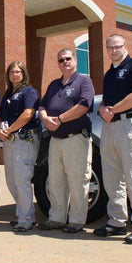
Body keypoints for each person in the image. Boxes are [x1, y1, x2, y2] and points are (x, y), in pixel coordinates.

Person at [94, 34, 132, 244]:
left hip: (129, 126)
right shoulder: (109, 73)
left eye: (117, 46)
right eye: (110, 47)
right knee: (112, 178)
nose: (113, 50)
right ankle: (117, 222)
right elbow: (106, 101)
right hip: (110, 128)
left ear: (124, 46)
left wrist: (112, 110)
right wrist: (103, 109)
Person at [37, 49, 95, 233]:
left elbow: (84, 105)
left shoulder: (84, 81)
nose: (65, 62)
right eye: (61, 60)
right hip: (55, 140)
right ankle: (56, 218)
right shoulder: (54, 84)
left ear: (75, 60)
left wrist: (60, 119)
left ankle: (77, 221)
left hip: (76, 138)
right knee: (55, 181)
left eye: (68, 59)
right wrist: (46, 119)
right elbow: (42, 106)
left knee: (77, 181)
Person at [0, 61, 40, 233]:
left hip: (24, 139)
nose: (15, 74)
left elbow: (28, 114)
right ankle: (26, 214)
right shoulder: (7, 94)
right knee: (11, 181)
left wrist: (8, 130)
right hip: (9, 141)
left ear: (23, 74)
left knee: (22, 180)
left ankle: (25, 219)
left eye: (18, 72)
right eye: (12, 72)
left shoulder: (29, 91)